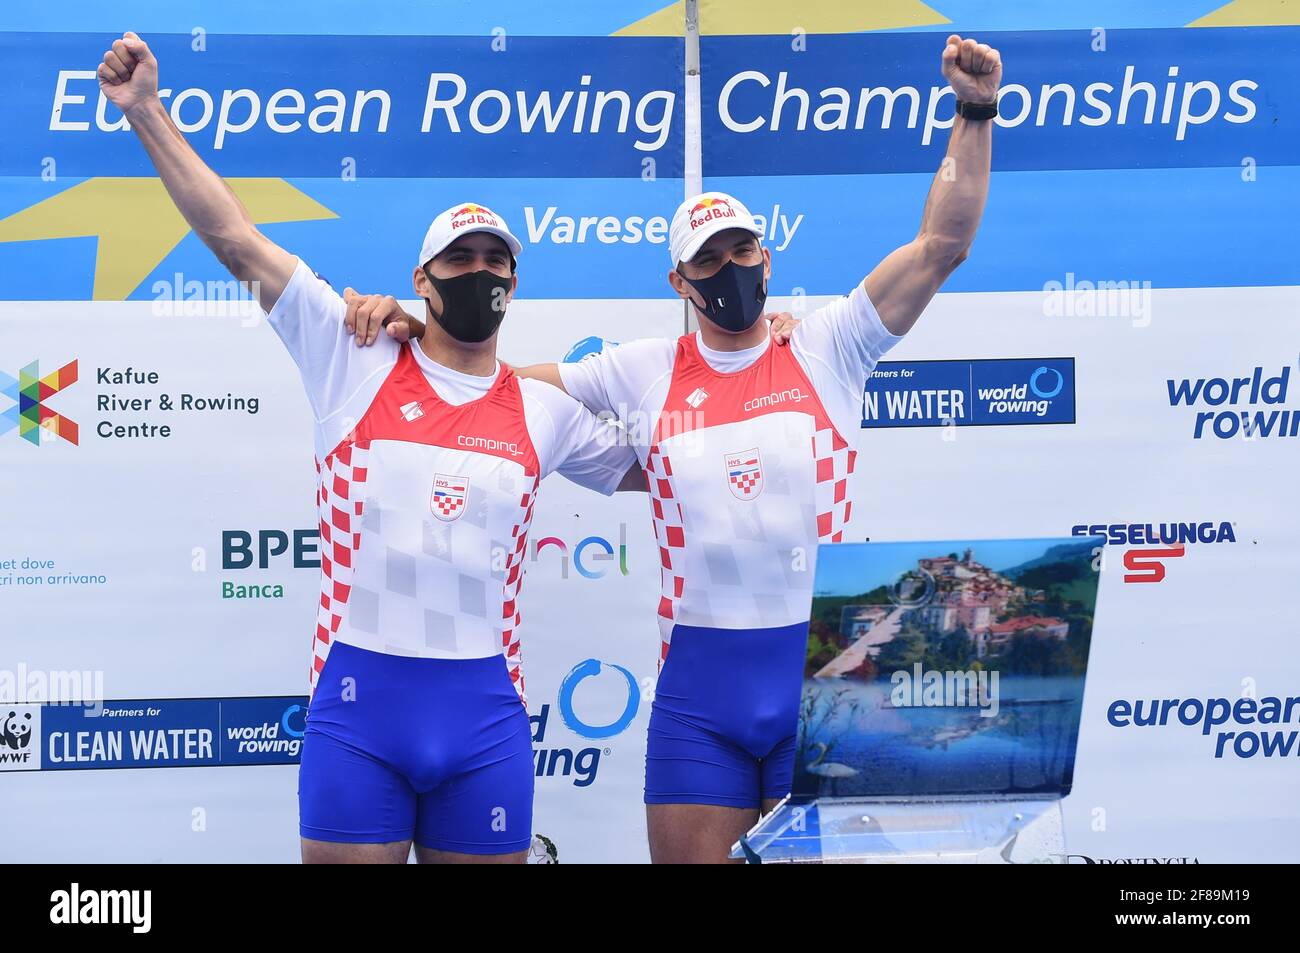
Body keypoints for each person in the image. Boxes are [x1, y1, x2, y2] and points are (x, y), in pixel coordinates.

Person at [347, 34, 1001, 862]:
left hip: (829, 686)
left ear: (767, 255)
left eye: (742, 250)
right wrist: (416, 329)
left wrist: (974, 110)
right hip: (698, 701)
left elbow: (940, 246)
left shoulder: (828, 344)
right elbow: (490, 381)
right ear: (679, 283)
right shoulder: (641, 370)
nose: (729, 266)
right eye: (707, 259)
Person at [96, 32, 641, 864]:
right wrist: (147, 114)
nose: (480, 270)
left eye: (497, 259)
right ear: (421, 279)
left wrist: (755, 340)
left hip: (486, 727)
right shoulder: (351, 354)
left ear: (515, 283)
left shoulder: (543, 409)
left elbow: (675, 461)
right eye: (459, 258)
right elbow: (235, 238)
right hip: (359, 719)